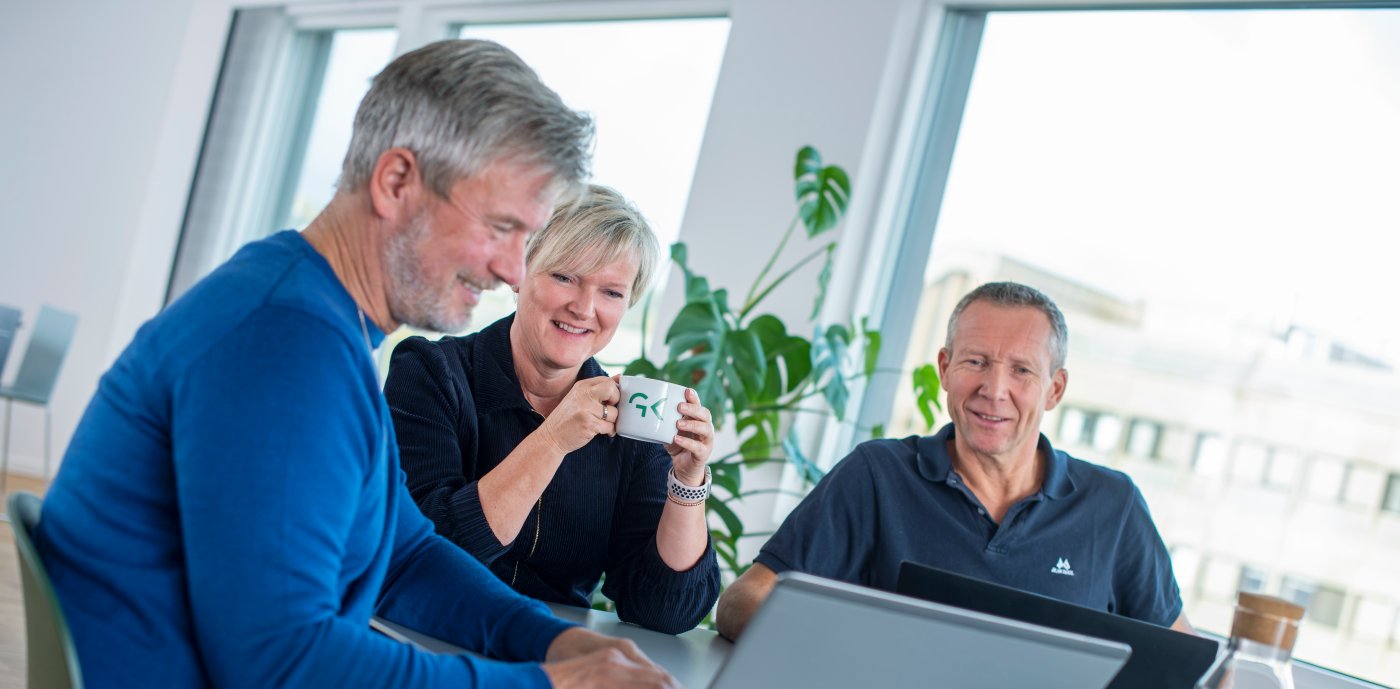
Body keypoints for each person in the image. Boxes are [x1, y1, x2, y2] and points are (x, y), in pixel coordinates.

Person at [35, 39, 679, 689]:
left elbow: (403, 554)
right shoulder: (284, 345)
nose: (512, 269)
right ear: (396, 182)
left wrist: (556, 640)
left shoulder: (313, 315)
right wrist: (552, 684)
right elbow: (281, 661)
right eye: (500, 227)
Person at [715, 281, 1194, 641]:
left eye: (1021, 370)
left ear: (1055, 389)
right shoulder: (878, 475)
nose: (994, 390)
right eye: (976, 362)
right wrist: (855, 656)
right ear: (945, 369)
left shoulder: (1113, 506)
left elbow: (1188, 663)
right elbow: (742, 603)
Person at [383, 184, 720, 635]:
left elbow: (662, 612)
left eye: (611, 292)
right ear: (518, 273)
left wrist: (687, 482)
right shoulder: (431, 372)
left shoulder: (631, 419)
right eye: (564, 277)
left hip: (545, 649)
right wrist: (552, 439)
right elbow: (423, 553)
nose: (584, 308)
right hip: (418, 634)